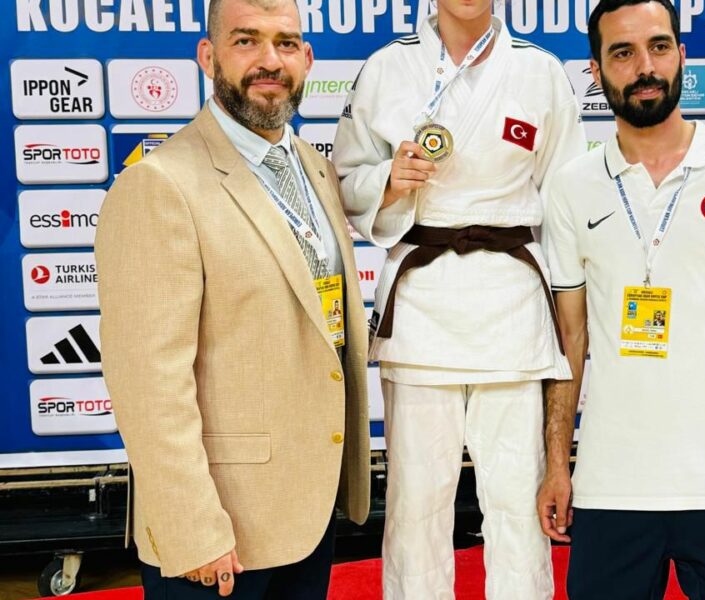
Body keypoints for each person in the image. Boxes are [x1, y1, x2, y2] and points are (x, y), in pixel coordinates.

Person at [537, 1, 705, 598]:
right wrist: (557, 461)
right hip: (610, 487)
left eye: (659, 46)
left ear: (682, 55)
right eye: (623, 52)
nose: (645, 67)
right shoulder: (570, 186)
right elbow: (568, 338)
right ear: (595, 71)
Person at [95, 1, 370, 597]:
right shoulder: (159, 185)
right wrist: (192, 528)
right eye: (246, 41)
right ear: (208, 55)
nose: (270, 61)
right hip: (218, 534)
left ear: (307, 59)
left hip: (308, 511)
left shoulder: (315, 169)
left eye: (286, 43)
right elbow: (148, 382)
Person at [332, 0, 586, 597]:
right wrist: (387, 182)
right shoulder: (386, 67)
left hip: (512, 305)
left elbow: (567, 198)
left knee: (518, 500)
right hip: (421, 305)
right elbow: (344, 179)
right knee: (415, 503)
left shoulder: (540, 71)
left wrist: (570, 303)